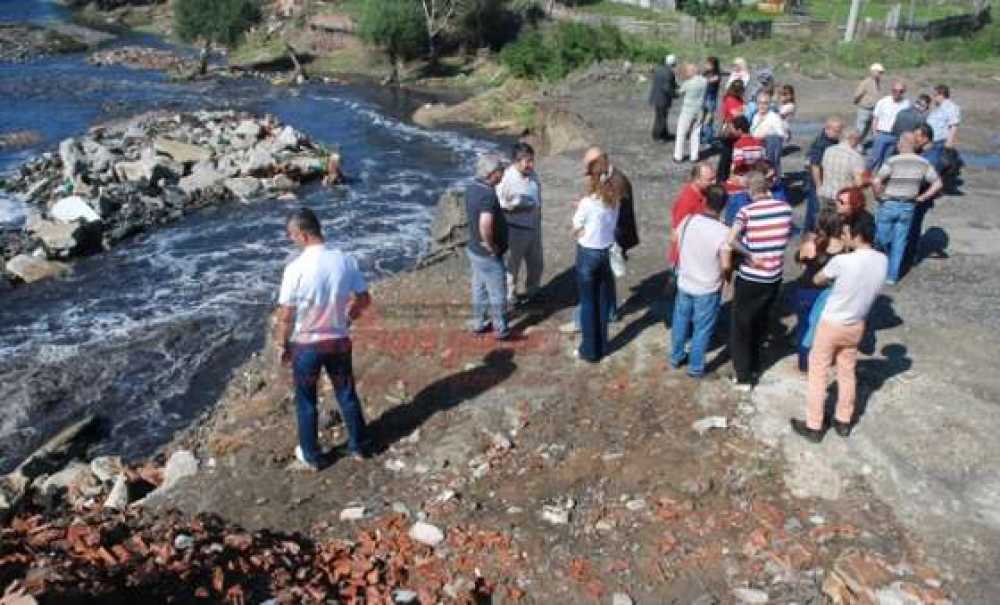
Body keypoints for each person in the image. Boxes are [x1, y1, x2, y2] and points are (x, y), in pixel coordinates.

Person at [275, 207, 373, 471]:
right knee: (346, 394)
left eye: (292, 235)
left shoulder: (295, 268)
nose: (291, 240)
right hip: (338, 341)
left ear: (304, 235)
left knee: (306, 401)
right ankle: (359, 446)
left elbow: (286, 315)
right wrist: (348, 317)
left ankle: (312, 456)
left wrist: (282, 346)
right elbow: (364, 299)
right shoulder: (345, 260)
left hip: (306, 345)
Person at [790, 211, 888, 443]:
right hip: (856, 324)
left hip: (832, 323)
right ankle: (844, 419)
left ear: (855, 234)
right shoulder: (883, 260)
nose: (843, 236)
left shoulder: (843, 261)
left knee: (818, 373)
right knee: (846, 371)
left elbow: (817, 280)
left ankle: (814, 425)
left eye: (845, 232)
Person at [561, 148, 639, 334]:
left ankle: (582, 321)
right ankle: (610, 313)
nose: (586, 174)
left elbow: (610, 212)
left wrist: (588, 208)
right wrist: (588, 203)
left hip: (612, 238)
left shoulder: (616, 182)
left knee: (590, 284)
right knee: (606, 279)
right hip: (613, 236)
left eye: (588, 168)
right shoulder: (612, 176)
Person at [727, 172, 793, 389]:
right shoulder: (785, 209)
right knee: (760, 322)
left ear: (749, 190)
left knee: (742, 326)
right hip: (774, 276)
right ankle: (755, 365)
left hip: (751, 277)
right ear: (768, 188)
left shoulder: (746, 212)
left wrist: (748, 254)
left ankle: (743, 376)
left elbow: (731, 239)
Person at [670, 184, 732, 378]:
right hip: (707, 287)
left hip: (685, 281)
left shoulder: (688, 220)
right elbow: (726, 264)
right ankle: (695, 367)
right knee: (702, 328)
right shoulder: (723, 232)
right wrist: (728, 279)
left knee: (680, 320)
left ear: (704, 201)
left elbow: (674, 238)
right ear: (723, 206)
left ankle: (676, 356)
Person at [872, 132, 943, 284]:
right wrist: (922, 197)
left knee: (882, 238)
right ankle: (892, 276)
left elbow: (876, 181)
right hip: (908, 206)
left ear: (902, 143)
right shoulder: (923, 162)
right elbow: (938, 183)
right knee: (900, 242)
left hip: (889, 203)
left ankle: (881, 269)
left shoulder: (892, 161)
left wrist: (878, 196)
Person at [573, 158, 622, 363]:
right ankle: (602, 346)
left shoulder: (587, 203)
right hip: (606, 253)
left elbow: (576, 225)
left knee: (587, 303)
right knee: (602, 302)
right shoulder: (615, 200)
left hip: (588, 253)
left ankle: (589, 350)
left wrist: (579, 230)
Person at [793, 210, 845, 372]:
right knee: (823, 329)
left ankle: (803, 362)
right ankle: (822, 359)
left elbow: (799, 260)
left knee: (804, 326)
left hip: (806, 290)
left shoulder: (812, 244)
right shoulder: (844, 248)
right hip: (829, 293)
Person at [467, 153, 511, 339]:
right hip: (487, 254)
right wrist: (492, 246)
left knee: (479, 287)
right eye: (501, 171)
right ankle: (500, 329)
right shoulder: (488, 195)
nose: (503, 174)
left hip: (473, 249)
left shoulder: (472, 188)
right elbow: (485, 224)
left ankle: (479, 322)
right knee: (497, 291)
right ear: (492, 173)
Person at [497, 142, 543, 306]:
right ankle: (510, 296)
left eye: (532, 160)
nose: (531, 164)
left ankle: (533, 291)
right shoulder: (506, 179)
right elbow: (500, 204)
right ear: (516, 161)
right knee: (513, 266)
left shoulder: (532, 174)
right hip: (515, 230)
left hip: (534, 227)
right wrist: (518, 206)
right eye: (528, 161)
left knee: (536, 263)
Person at [668, 162, 716, 268]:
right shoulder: (687, 201)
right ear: (697, 180)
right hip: (684, 259)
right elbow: (676, 234)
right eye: (710, 179)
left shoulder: (703, 193)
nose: (714, 182)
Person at [804, 117, 844, 232]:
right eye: (837, 131)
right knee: (816, 209)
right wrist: (819, 186)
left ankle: (810, 230)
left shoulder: (831, 140)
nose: (839, 134)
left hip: (824, 180)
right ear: (828, 129)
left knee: (813, 209)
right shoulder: (822, 144)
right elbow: (814, 165)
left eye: (840, 130)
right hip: (818, 181)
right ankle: (813, 232)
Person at [818, 127, 865, 212]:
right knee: (840, 222)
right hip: (843, 198)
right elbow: (859, 183)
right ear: (853, 139)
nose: (859, 143)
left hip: (826, 193)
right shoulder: (856, 157)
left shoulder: (828, 150)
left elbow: (822, 170)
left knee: (826, 221)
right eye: (858, 140)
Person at [867, 81, 910, 172]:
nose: (897, 93)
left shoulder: (906, 104)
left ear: (904, 92)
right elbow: (875, 117)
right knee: (875, 158)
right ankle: (866, 176)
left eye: (901, 91)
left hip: (895, 136)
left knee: (887, 161)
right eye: (895, 90)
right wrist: (875, 133)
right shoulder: (883, 101)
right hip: (882, 134)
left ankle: (880, 180)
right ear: (891, 90)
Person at [925, 84, 962, 190]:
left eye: (934, 95)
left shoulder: (951, 107)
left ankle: (934, 188)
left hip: (940, 142)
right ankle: (932, 187)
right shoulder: (939, 108)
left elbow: (953, 125)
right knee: (931, 165)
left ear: (941, 94)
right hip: (933, 141)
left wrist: (949, 143)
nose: (933, 97)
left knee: (935, 166)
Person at [673, 63, 708, 164]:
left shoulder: (688, 83)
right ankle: (694, 156)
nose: (686, 73)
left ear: (691, 72)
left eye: (687, 71)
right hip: (699, 109)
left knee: (681, 133)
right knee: (695, 133)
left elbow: (678, 93)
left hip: (688, 111)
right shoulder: (704, 81)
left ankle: (678, 156)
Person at [750, 91, 786, 177]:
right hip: (756, 149)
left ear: (769, 104)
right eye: (760, 103)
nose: (762, 106)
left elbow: (781, 135)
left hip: (769, 150)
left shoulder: (774, 117)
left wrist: (767, 135)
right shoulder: (755, 116)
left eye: (765, 103)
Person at [716, 79, 746, 183]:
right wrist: (744, 110)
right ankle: (721, 179)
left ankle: (726, 177)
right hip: (730, 130)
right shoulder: (730, 99)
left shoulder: (738, 99)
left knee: (731, 155)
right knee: (726, 156)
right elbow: (734, 114)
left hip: (737, 130)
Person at [649, 54, 678, 142]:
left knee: (661, 116)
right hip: (662, 99)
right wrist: (675, 94)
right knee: (661, 118)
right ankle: (657, 136)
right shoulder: (669, 72)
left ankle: (664, 134)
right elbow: (667, 87)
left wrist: (677, 87)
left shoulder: (659, 69)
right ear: (673, 63)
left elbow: (669, 83)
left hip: (656, 97)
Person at [853, 63, 884, 142]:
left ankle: (861, 143)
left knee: (867, 129)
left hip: (873, 109)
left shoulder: (877, 82)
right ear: (873, 72)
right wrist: (857, 102)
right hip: (864, 109)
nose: (881, 74)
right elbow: (857, 94)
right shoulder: (866, 82)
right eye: (879, 72)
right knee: (860, 128)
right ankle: (856, 144)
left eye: (881, 72)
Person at [701, 56, 722, 144]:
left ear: (713, 65)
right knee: (702, 118)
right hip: (704, 97)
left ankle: (709, 138)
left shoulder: (717, 75)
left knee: (708, 120)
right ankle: (703, 136)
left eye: (708, 64)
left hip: (711, 99)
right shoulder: (705, 73)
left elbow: (708, 81)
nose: (706, 65)